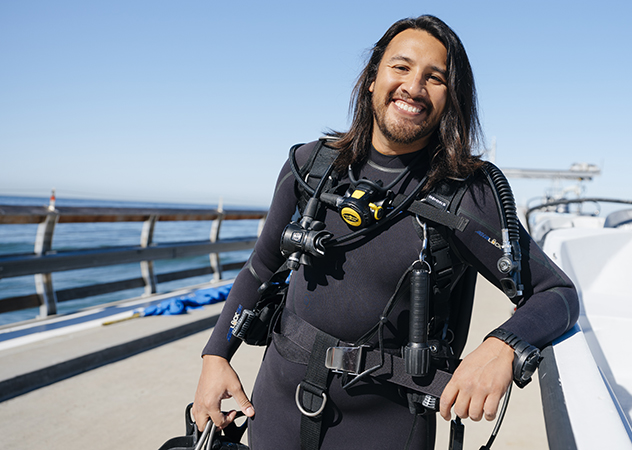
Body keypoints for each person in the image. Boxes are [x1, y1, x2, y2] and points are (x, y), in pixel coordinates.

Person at [193, 14, 579, 450]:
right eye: (401, 67)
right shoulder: (312, 167)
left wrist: (501, 346)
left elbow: (557, 293)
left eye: (435, 78)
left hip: (387, 428)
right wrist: (215, 356)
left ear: (452, 100)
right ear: (373, 77)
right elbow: (261, 266)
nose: (413, 87)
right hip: (275, 410)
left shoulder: (465, 195)